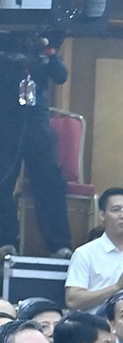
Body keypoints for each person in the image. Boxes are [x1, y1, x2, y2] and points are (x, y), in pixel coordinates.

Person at [0, 30, 72, 257]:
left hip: (37, 120)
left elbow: (61, 75)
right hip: (6, 120)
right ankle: (5, 242)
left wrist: (46, 47)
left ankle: (59, 245)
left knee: (50, 181)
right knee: (2, 181)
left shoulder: (44, 41)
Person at [65, 189, 123, 312]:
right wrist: (116, 287)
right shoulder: (85, 253)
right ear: (102, 215)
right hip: (95, 326)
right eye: (116, 210)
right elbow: (72, 301)